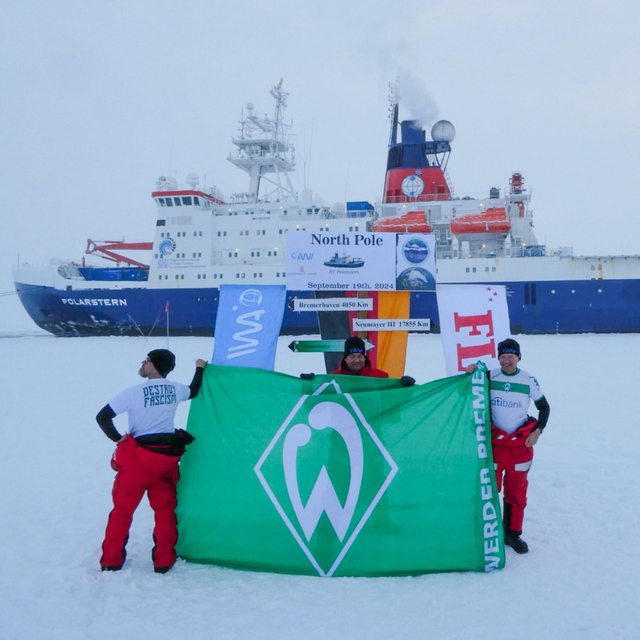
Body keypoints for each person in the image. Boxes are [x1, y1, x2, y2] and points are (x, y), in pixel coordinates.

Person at [96, 349, 207, 573]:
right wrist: (200, 368)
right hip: (165, 461)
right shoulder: (176, 389)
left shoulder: (133, 393)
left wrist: (118, 439)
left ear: (155, 365)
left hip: (137, 463)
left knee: (122, 512)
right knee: (165, 512)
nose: (143, 363)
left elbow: (103, 417)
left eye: (146, 360)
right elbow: (194, 390)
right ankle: (163, 561)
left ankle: (111, 560)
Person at [489, 338, 550, 554]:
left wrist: (537, 432)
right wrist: (470, 371)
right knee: (488, 490)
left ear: (518, 357)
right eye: (503, 357)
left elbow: (544, 408)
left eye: (511, 356)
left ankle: (512, 534)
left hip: (519, 446)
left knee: (516, 492)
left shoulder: (528, 380)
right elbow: (467, 389)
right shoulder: (489, 376)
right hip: (494, 444)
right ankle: (488, 532)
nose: (507, 361)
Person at [301, 336, 415, 384]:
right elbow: (315, 405)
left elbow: (395, 403)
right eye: (352, 356)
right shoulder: (334, 379)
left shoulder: (380, 377)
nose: (356, 360)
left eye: (360, 356)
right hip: (341, 427)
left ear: (365, 357)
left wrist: (405, 387)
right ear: (345, 358)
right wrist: (307, 385)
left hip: (372, 426)